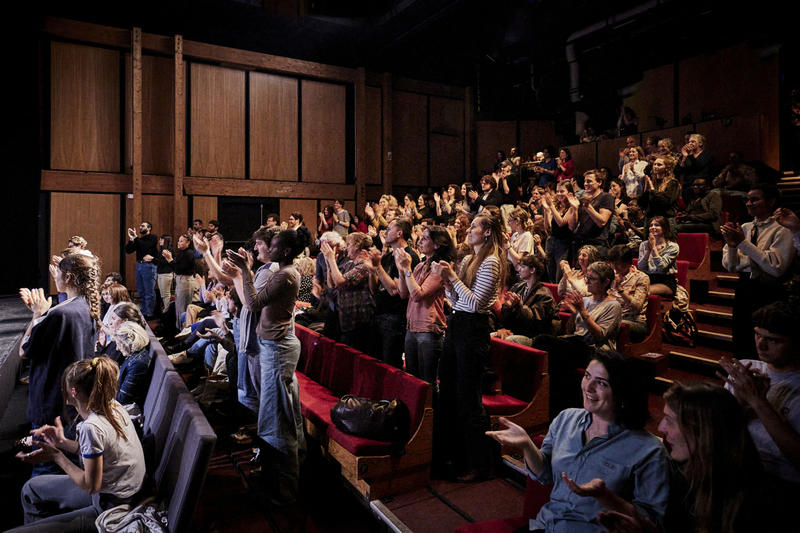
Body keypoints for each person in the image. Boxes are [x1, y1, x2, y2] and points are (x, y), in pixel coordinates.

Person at [486, 350, 668, 533]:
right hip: (545, 525)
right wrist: (527, 445)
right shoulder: (567, 418)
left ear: (622, 393)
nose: (588, 387)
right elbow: (545, 474)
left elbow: (651, 523)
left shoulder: (649, 450)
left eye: (602, 383)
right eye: (587, 376)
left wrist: (604, 496)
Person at [592, 382, 763, 532]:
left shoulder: (754, 501)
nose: (661, 428)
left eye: (670, 420)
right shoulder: (682, 474)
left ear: (702, 432)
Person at [11, 357, 145, 532]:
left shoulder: (92, 427)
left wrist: (56, 456)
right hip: (115, 492)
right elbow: (103, 453)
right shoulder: (113, 406)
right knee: (31, 489)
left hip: (109, 506)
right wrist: (62, 443)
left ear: (73, 391)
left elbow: (91, 486)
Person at [224, 230, 306, 506]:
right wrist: (243, 271)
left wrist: (244, 270)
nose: (267, 248)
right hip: (275, 348)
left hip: (278, 350)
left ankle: (284, 492)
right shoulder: (284, 271)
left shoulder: (286, 274)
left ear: (284, 251)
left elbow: (253, 302)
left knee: (277, 420)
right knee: (277, 417)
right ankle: (277, 480)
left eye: (272, 245)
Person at [434, 213, 507, 481]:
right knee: (449, 392)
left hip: (474, 330)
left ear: (487, 232)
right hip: (457, 324)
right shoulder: (468, 259)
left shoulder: (492, 262)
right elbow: (457, 300)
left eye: (475, 226)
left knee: (469, 397)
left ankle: (480, 463)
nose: (469, 230)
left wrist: (453, 277)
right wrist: (448, 282)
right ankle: (455, 455)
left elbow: (476, 304)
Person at [19, 254, 100, 476]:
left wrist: (38, 314)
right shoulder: (88, 306)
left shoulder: (61, 314)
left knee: (45, 462)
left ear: (69, 277)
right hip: (73, 398)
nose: (54, 277)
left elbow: (24, 351)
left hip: (51, 399)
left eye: (58, 274)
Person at [718, 302, 800, 498]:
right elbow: (720, 432)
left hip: (782, 483)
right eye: (757, 334)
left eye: (773, 340)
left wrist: (757, 401)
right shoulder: (745, 368)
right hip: (737, 466)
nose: (761, 344)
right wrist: (738, 401)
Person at [721, 184, 795, 357]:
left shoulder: (782, 228)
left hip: (769, 291)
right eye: (747, 199)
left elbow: (776, 268)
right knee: (742, 339)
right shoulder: (745, 228)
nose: (748, 203)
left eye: (755, 199)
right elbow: (731, 266)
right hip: (744, 287)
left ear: (771, 201)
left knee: (764, 344)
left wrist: (743, 244)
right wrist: (732, 246)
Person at [395, 226, 454, 383]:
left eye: (425, 238)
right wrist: (401, 271)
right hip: (412, 327)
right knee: (412, 379)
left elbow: (417, 295)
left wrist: (407, 268)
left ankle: (432, 408)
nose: (420, 241)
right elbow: (403, 293)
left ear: (437, 244)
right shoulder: (421, 266)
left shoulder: (441, 267)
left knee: (427, 381)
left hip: (428, 329)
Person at [368, 217, 420, 368]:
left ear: (399, 233)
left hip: (395, 317)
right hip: (379, 313)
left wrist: (377, 267)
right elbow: (374, 289)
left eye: (389, 228)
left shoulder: (408, 256)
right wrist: (372, 271)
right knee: (375, 361)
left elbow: (394, 290)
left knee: (389, 363)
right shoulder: (388, 256)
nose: (385, 232)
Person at [320, 232, 375, 353]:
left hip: (359, 322)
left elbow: (340, 281)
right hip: (346, 320)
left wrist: (330, 259)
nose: (347, 247)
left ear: (357, 246)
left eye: (349, 244)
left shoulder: (364, 266)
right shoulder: (349, 264)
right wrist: (329, 262)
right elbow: (332, 285)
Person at [495, 254, 555, 346]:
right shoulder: (518, 287)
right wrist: (508, 306)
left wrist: (520, 306)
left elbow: (535, 322)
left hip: (533, 336)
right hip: (517, 330)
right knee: (492, 335)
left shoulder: (544, 295)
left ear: (532, 270)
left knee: (509, 340)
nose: (519, 269)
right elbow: (505, 315)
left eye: (523, 266)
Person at [608, 245, 650, 342]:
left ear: (628, 263)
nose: (614, 267)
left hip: (633, 322)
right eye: (612, 263)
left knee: (607, 323)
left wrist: (619, 289)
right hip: (611, 316)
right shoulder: (610, 274)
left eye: (618, 263)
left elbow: (637, 307)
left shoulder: (641, 278)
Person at [572, 170, 614, 258]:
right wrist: (574, 209)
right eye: (585, 181)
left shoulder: (606, 197)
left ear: (599, 182)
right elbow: (573, 226)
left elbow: (602, 222)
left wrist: (588, 207)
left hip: (597, 245)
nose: (585, 184)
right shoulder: (581, 201)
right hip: (581, 244)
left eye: (589, 181)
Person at [542, 181, 577, 282]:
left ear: (569, 193)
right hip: (551, 241)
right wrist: (546, 210)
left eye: (562, 191)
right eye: (557, 191)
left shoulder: (571, 207)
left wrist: (551, 206)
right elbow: (548, 227)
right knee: (550, 275)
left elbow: (561, 223)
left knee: (559, 277)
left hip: (563, 244)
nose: (559, 194)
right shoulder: (557, 206)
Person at [638, 216, 680, 298]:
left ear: (664, 228)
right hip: (648, 279)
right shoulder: (644, 244)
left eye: (657, 225)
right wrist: (648, 252)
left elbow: (661, 267)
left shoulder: (672, 246)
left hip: (665, 281)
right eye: (651, 225)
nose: (653, 227)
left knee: (642, 292)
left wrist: (653, 248)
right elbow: (641, 267)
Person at [113, 321, 152, 409]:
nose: (117, 348)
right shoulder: (135, 356)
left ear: (128, 342)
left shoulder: (137, 364)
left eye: (119, 344)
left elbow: (123, 400)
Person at [124, 221, 159, 318]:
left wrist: (136, 238)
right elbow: (128, 250)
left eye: (143, 226)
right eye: (140, 226)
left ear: (149, 228)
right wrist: (131, 240)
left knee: (149, 291)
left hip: (149, 266)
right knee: (141, 291)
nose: (140, 227)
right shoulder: (140, 239)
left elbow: (145, 246)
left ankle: (150, 313)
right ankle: (143, 311)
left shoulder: (153, 238)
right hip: (140, 265)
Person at [161, 233, 196, 330]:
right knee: (178, 307)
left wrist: (170, 259)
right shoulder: (183, 252)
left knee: (183, 308)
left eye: (181, 241)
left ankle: (182, 332)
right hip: (181, 280)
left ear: (188, 242)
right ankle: (178, 331)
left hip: (185, 281)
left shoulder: (189, 253)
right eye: (178, 241)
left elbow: (178, 269)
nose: (178, 243)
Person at [154, 235, 174, 313]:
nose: (159, 241)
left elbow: (164, 262)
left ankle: (167, 310)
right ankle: (165, 309)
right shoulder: (161, 249)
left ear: (166, 241)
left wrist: (152, 259)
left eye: (161, 240)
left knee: (166, 293)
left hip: (166, 274)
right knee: (162, 293)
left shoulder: (169, 250)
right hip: (161, 273)